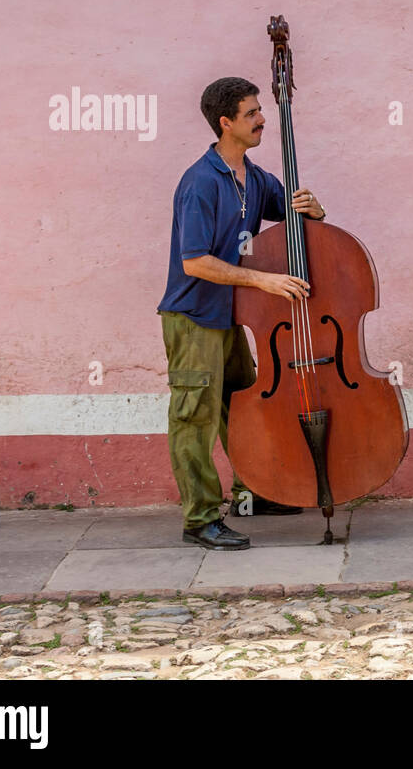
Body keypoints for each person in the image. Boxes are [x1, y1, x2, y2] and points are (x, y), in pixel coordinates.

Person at [158, 77, 327, 550]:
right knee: (194, 417)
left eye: (260, 110)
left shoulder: (255, 178)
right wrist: (262, 280)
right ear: (225, 123)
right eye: (252, 113)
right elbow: (195, 262)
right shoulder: (200, 183)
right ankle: (199, 520)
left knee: (241, 407)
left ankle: (255, 492)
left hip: (230, 316)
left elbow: (295, 221)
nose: (262, 119)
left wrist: (314, 209)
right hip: (193, 317)